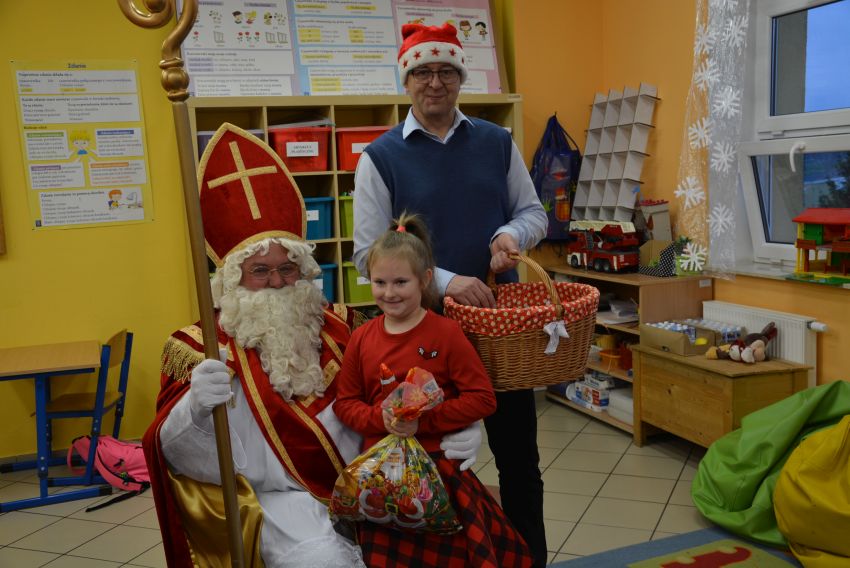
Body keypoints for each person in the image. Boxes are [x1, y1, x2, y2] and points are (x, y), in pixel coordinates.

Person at [143, 125, 481, 568]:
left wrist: (458, 427)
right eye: (260, 271)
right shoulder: (197, 349)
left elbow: (409, 386)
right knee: (327, 562)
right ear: (231, 278)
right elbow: (172, 456)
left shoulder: (342, 326)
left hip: (375, 478)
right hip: (281, 500)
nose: (277, 282)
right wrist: (195, 410)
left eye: (287, 269)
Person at [352, 22, 550, 567]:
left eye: (446, 71)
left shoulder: (496, 142)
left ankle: (528, 559)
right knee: (427, 464)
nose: (434, 83)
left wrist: (510, 235)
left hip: (499, 330)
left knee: (519, 462)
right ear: (407, 80)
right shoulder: (380, 157)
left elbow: (533, 212)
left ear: (461, 78)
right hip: (419, 336)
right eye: (422, 72)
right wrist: (442, 280)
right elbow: (366, 252)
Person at [335, 213, 534, 568]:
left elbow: (482, 398)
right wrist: (379, 418)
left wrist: (425, 422)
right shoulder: (361, 337)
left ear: (425, 279)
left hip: (440, 472)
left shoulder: (446, 333)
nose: (389, 293)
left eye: (401, 282)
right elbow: (345, 403)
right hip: (380, 481)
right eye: (379, 282)